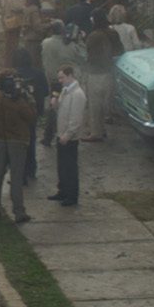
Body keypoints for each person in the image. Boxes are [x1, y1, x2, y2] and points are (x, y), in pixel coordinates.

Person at [0, 71, 36, 223]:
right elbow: (32, 117)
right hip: (18, 142)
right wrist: (28, 98)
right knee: (16, 177)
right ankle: (19, 211)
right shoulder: (20, 103)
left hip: (0, 140)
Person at [82, 11, 124, 141]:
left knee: (95, 106)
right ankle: (101, 130)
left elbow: (88, 53)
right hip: (110, 71)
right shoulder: (112, 33)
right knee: (105, 103)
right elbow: (120, 50)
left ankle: (96, 133)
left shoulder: (94, 36)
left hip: (96, 72)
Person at [50, 65, 85, 206]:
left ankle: (72, 195)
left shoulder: (77, 95)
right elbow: (61, 111)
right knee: (62, 167)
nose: (60, 81)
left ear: (70, 75)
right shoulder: (65, 91)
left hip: (69, 138)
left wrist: (67, 135)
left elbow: (75, 120)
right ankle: (62, 191)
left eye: (62, 77)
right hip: (61, 134)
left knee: (70, 168)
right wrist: (55, 103)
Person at [12, 48, 48, 184]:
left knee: (18, 143)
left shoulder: (14, 75)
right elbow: (45, 91)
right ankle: (31, 169)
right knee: (31, 139)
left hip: (17, 114)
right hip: (34, 111)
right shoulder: (38, 73)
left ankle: (20, 172)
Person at [0, 0, 23, 68]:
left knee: (12, 43)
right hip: (11, 20)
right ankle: (8, 65)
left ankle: (10, 63)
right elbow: (18, 6)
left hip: (10, 20)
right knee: (11, 44)